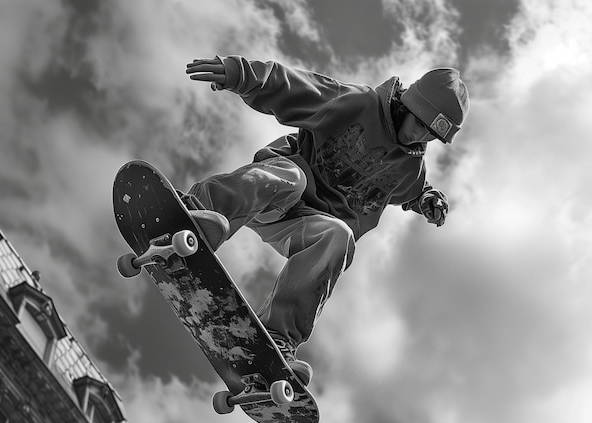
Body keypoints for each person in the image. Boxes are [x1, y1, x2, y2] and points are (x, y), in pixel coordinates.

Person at [183, 55, 470, 386]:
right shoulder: (357, 104)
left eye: (430, 135)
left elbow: (414, 191)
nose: (419, 138)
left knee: (340, 235)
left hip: (304, 225)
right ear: (406, 105)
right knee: (292, 177)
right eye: (419, 124)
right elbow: (297, 87)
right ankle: (199, 212)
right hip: (273, 191)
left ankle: (276, 338)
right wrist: (241, 75)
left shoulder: (410, 170)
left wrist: (428, 201)